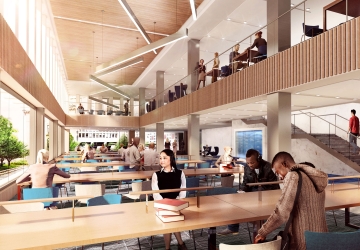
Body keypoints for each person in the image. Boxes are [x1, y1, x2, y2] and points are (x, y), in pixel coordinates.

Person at [254, 152, 328, 250]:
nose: (279, 177)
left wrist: (263, 232)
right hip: (322, 237)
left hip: (303, 240)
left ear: (284, 164)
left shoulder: (293, 176)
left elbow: (282, 212)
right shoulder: (314, 179)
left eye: (278, 172)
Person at [218, 149, 280, 236]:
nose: (250, 165)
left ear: (259, 159)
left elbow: (274, 187)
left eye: (252, 163)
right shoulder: (247, 168)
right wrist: (242, 190)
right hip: (252, 193)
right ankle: (233, 228)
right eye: (248, 163)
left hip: (266, 194)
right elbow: (245, 182)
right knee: (235, 201)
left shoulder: (268, 167)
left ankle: (259, 230)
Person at [151, 149, 187, 250]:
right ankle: (180, 244)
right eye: (160, 158)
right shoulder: (156, 174)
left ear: (171, 159)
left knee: (171, 220)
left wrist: (178, 202)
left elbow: (183, 190)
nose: (161, 160)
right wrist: (167, 205)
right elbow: (156, 193)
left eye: (164, 158)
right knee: (170, 220)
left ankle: (169, 248)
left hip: (177, 203)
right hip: (161, 204)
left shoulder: (180, 173)